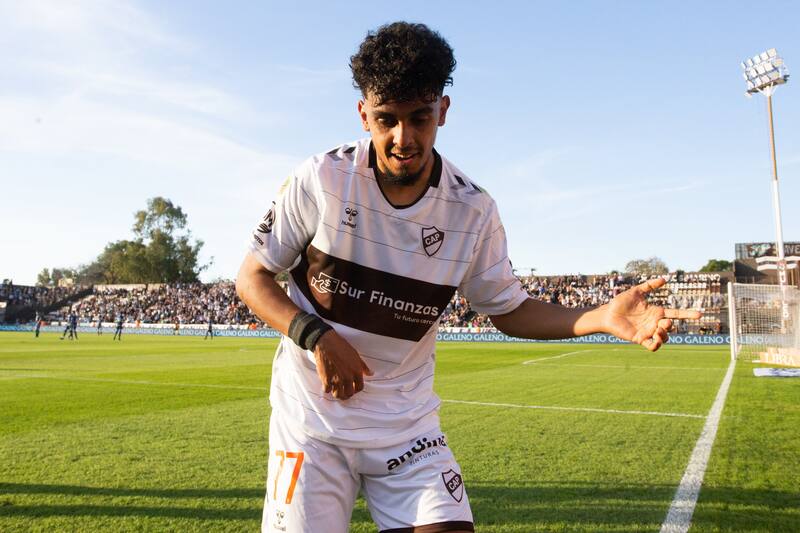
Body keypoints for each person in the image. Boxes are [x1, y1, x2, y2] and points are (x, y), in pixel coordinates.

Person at [235, 22, 700, 533]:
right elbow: (253, 277)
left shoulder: (472, 210)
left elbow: (509, 308)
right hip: (311, 426)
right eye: (386, 119)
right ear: (363, 114)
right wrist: (316, 336)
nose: (403, 138)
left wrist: (599, 317)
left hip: (407, 430)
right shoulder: (321, 179)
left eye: (420, 118)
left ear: (443, 111)